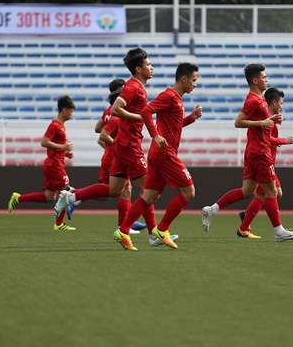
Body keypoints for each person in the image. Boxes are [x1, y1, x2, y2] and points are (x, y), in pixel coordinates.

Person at [54, 48, 157, 238]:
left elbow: (100, 127)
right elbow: (112, 118)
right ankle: (151, 234)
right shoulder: (133, 88)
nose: (152, 67)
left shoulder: (137, 91)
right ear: (137, 69)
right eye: (148, 64)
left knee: (115, 190)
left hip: (122, 146)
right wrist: (139, 117)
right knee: (148, 189)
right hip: (128, 146)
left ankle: (72, 198)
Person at [200, 64, 293, 241]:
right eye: (264, 77)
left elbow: (258, 121)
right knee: (271, 192)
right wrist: (263, 123)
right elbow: (238, 122)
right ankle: (279, 232)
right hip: (261, 152)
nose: (266, 80)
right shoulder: (253, 100)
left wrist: (270, 119)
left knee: (248, 191)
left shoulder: (260, 100)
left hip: (253, 152)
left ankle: (212, 209)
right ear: (255, 80)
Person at [114, 63, 203, 250]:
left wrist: (191, 118)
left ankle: (123, 231)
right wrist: (155, 135)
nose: (195, 84)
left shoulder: (177, 99)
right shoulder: (169, 95)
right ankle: (162, 230)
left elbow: (174, 126)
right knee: (189, 192)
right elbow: (146, 111)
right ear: (184, 79)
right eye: (194, 80)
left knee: (149, 196)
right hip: (165, 154)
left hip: (158, 154)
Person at [66, 83, 146, 233]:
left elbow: (98, 129)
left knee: (120, 191)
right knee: (116, 190)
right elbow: (102, 134)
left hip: (114, 154)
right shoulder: (118, 113)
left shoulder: (108, 112)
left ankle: (126, 223)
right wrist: (118, 144)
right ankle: (74, 197)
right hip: (118, 154)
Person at [237, 87, 293, 241]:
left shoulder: (269, 118)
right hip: (262, 159)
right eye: (281, 103)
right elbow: (266, 140)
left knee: (273, 193)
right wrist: (284, 141)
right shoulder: (263, 117)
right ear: (274, 102)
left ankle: (246, 220)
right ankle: (276, 231)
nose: (281, 106)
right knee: (269, 193)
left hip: (266, 159)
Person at [7, 95, 78, 231]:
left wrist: (66, 153)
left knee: (49, 197)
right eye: (71, 111)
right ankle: (59, 224)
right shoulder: (55, 125)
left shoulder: (61, 126)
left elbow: (55, 145)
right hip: (54, 165)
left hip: (53, 163)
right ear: (64, 110)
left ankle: (18, 198)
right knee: (67, 192)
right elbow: (44, 142)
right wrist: (63, 147)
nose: (72, 113)